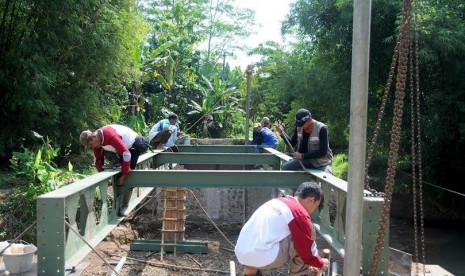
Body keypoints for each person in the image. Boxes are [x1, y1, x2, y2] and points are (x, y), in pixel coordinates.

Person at [235, 181, 329, 276]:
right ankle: (301, 273)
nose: (314, 210)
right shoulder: (299, 213)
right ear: (311, 200)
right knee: (306, 232)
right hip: (262, 256)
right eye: (316, 206)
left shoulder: (276, 201)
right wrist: (319, 262)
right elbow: (306, 250)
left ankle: (250, 271)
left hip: (242, 253)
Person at [80, 124, 149, 215]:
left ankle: (125, 205)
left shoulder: (110, 135)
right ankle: (116, 163)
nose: (92, 147)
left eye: (91, 145)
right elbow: (98, 160)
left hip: (135, 145)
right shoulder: (98, 141)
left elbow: (126, 154)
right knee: (118, 168)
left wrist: (124, 174)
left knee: (128, 174)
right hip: (122, 148)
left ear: (94, 137)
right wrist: (102, 175)